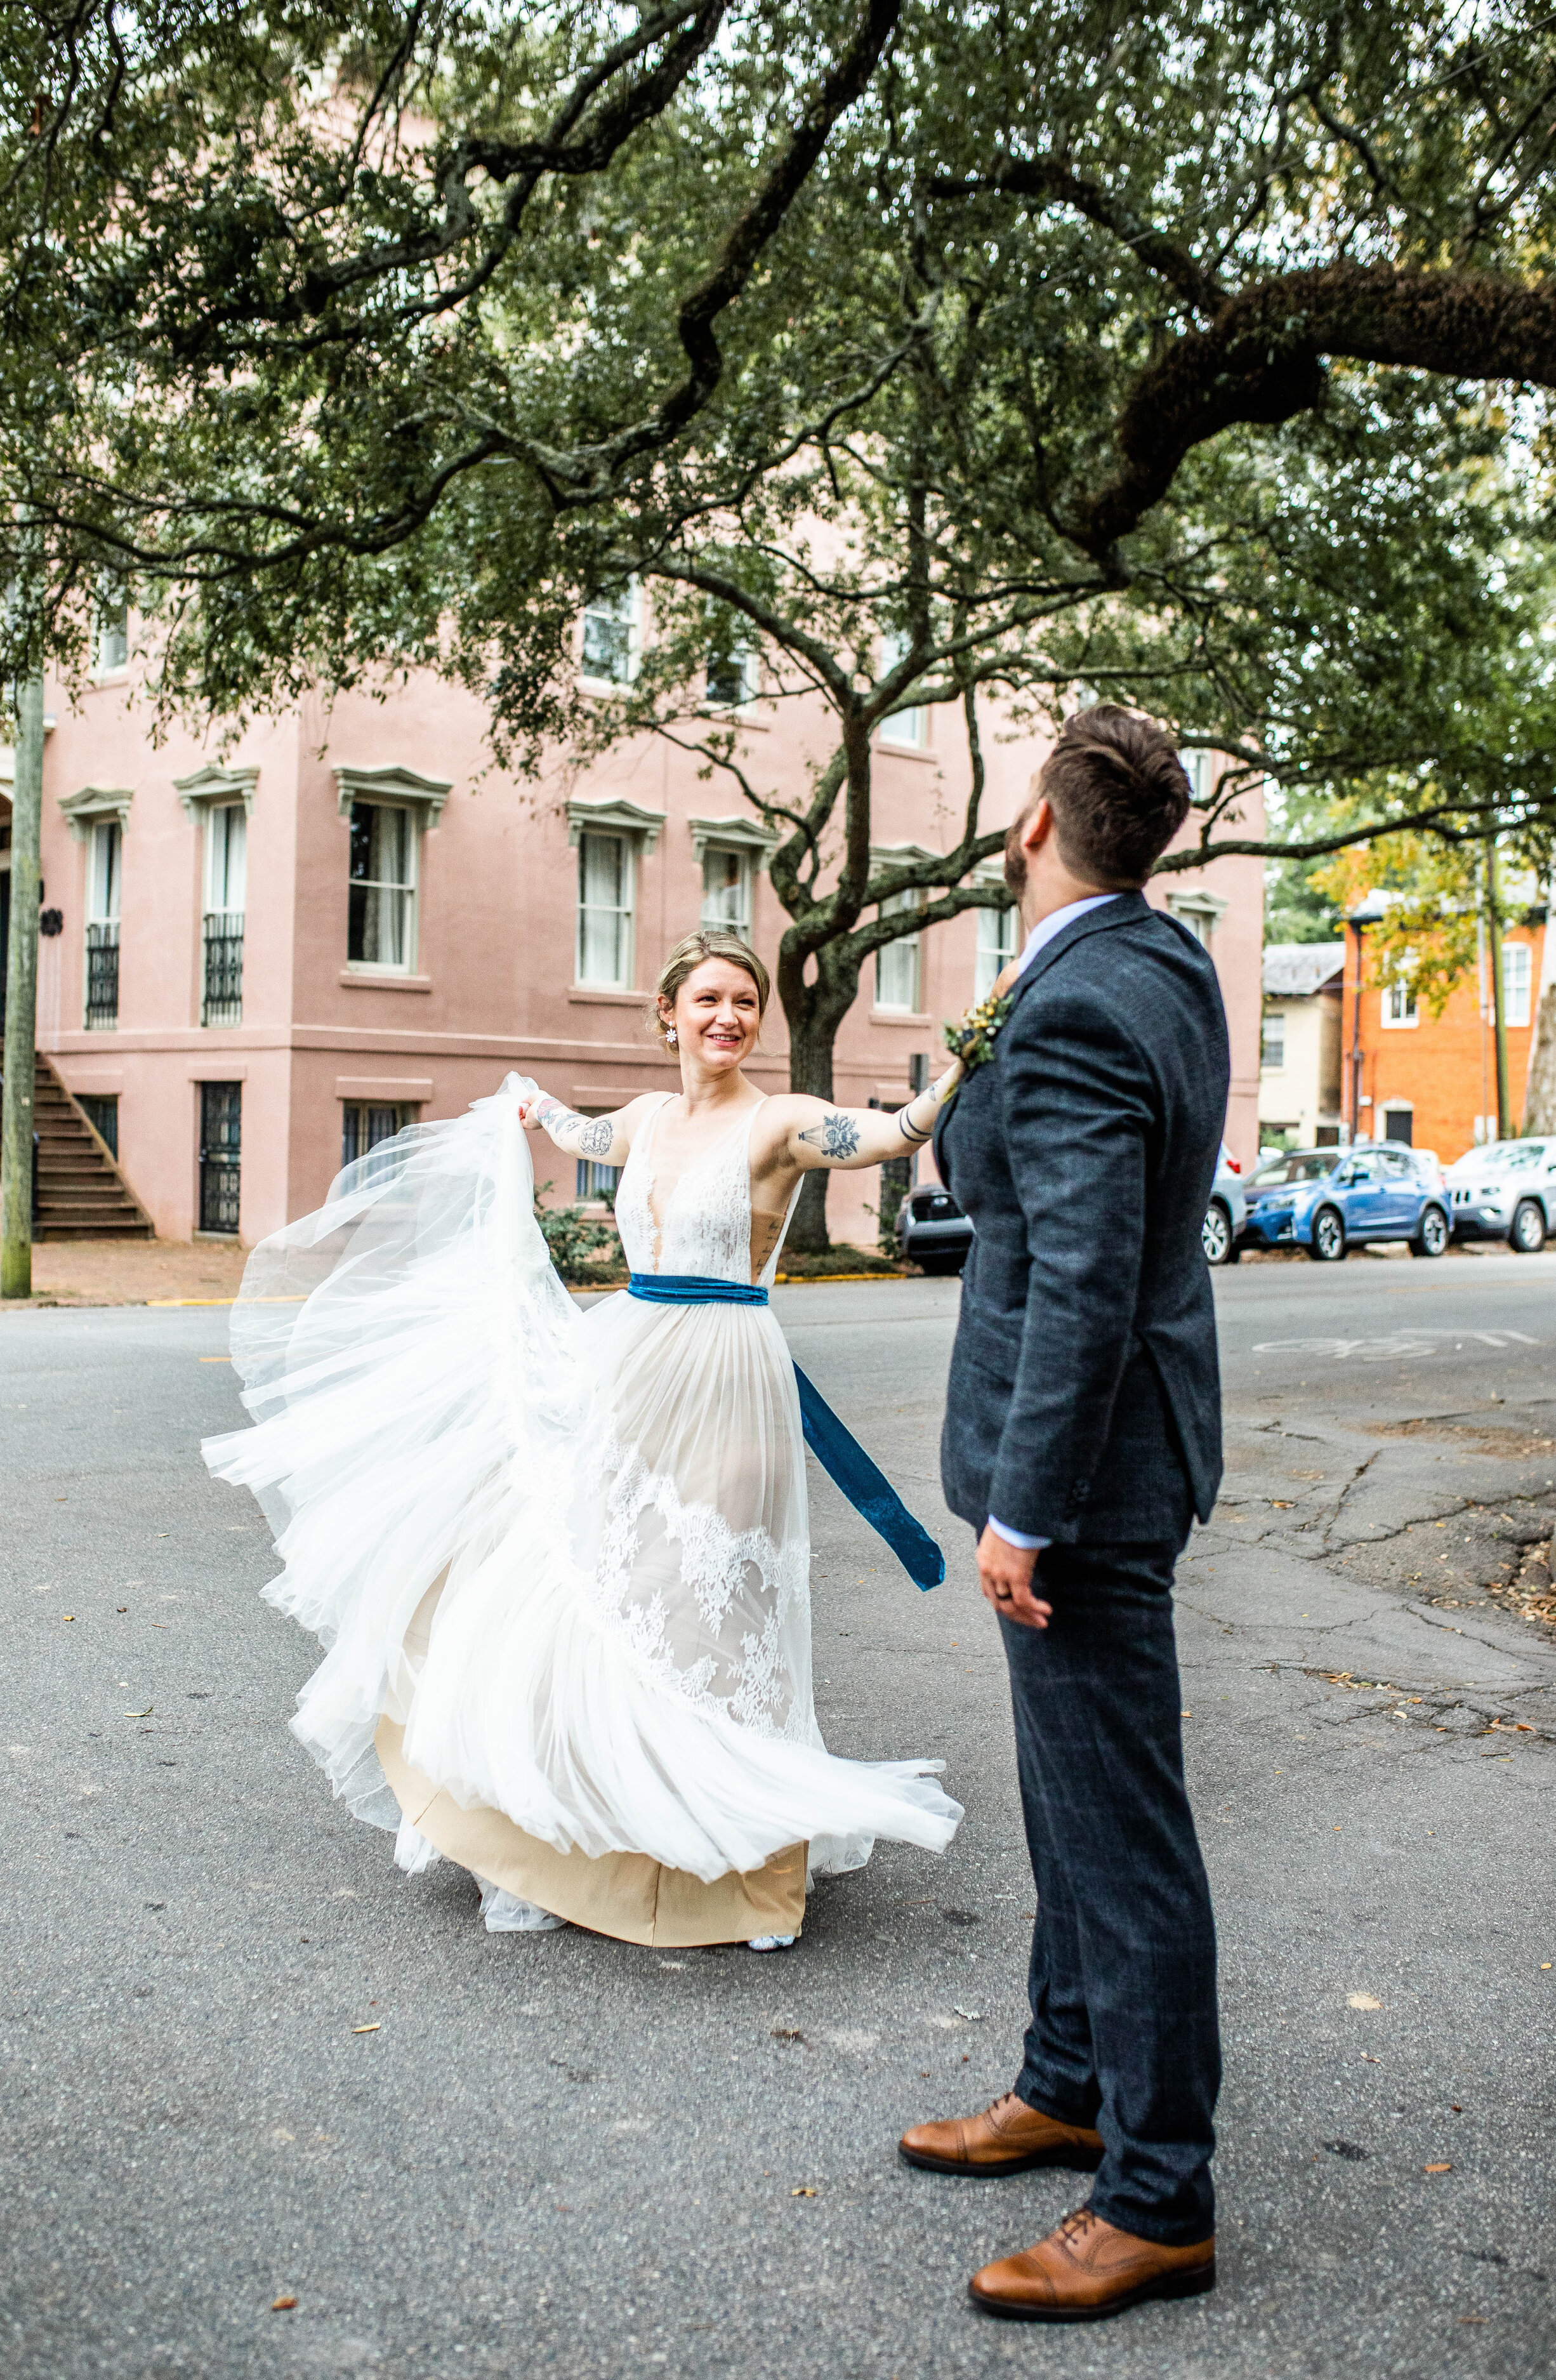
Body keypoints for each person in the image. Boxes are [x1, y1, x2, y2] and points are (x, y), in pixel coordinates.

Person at [204, 927, 961, 1954]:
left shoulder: (779, 1121)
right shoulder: (647, 1117)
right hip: (627, 1365)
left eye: (745, 1000)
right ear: (669, 1015)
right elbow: (577, 1134)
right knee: (600, 1589)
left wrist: (958, 1065)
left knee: (706, 1609)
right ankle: (587, 1842)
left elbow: (891, 1133)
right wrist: (521, 1108)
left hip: (728, 1376)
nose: (729, 1016)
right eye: (708, 999)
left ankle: (727, 1864)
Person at [897, 707, 1229, 2322]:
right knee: (1067, 1804)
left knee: (1121, 1833)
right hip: (1123, 1453)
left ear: (1036, 827)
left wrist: (1023, 1510)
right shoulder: (1153, 962)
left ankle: (1157, 2194)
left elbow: (1085, 1279)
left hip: (1083, 1483)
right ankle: (1065, 2078)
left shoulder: (1079, 1002)